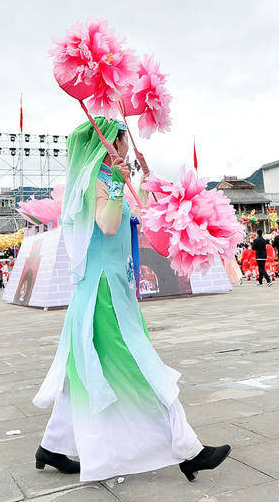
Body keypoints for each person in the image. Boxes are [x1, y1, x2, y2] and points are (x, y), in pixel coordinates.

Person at [33, 118, 230, 483]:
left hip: (111, 287)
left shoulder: (105, 178)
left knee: (90, 367)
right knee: (140, 363)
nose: (126, 145)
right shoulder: (96, 180)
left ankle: (53, 446)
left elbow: (129, 216)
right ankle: (188, 450)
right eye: (123, 139)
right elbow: (107, 226)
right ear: (111, 143)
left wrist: (143, 182)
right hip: (104, 292)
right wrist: (116, 183)